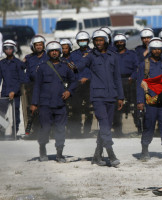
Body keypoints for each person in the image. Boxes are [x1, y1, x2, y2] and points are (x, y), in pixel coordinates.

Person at [75, 29, 124, 167]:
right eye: (96, 41)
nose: (98, 43)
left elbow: (117, 78)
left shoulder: (113, 56)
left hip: (111, 96)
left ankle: (96, 156)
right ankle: (111, 153)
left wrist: (120, 96)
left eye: (101, 40)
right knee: (104, 123)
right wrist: (69, 64)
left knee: (106, 126)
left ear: (106, 41)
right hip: (97, 96)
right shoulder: (90, 56)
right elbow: (78, 67)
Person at [30, 41, 78, 163]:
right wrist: (34, 103)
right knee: (45, 128)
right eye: (52, 51)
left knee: (60, 128)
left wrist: (69, 92)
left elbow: (74, 81)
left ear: (60, 52)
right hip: (45, 104)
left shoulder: (66, 66)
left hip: (60, 103)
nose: (54, 52)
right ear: (48, 53)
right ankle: (42, 150)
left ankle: (59, 154)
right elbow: (37, 86)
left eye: (56, 50)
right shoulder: (42, 67)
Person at [136, 37, 162, 160]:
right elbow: (139, 84)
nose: (157, 51)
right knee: (149, 126)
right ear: (150, 50)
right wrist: (140, 101)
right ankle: (145, 149)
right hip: (150, 101)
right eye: (154, 49)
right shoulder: (144, 64)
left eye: (159, 49)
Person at [112, 33, 140, 136]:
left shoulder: (132, 54)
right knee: (116, 106)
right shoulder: (112, 54)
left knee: (135, 105)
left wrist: (132, 77)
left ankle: (139, 128)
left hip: (130, 81)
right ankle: (117, 130)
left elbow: (137, 68)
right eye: (117, 42)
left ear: (125, 42)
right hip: (116, 82)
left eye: (122, 42)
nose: (120, 44)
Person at [22, 35, 49, 138]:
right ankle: (36, 131)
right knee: (34, 110)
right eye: (36, 45)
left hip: (46, 87)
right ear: (33, 46)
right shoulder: (29, 58)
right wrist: (26, 86)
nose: (38, 47)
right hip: (33, 87)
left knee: (46, 110)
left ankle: (48, 131)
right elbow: (27, 73)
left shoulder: (48, 56)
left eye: (40, 45)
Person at [68, 31, 93, 137]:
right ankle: (77, 131)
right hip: (77, 85)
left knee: (89, 109)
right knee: (75, 107)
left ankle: (87, 130)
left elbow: (96, 69)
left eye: (84, 40)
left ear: (88, 41)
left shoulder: (93, 53)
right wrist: (78, 79)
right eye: (80, 40)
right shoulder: (73, 55)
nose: (82, 42)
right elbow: (71, 69)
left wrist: (88, 78)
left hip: (90, 85)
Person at [0, 40, 26, 134]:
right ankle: (2, 131)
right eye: (6, 48)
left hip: (15, 93)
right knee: (1, 113)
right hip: (4, 92)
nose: (8, 50)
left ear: (13, 49)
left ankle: (14, 131)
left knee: (15, 113)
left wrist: (14, 91)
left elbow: (21, 79)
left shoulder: (18, 63)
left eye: (10, 48)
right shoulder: (1, 63)